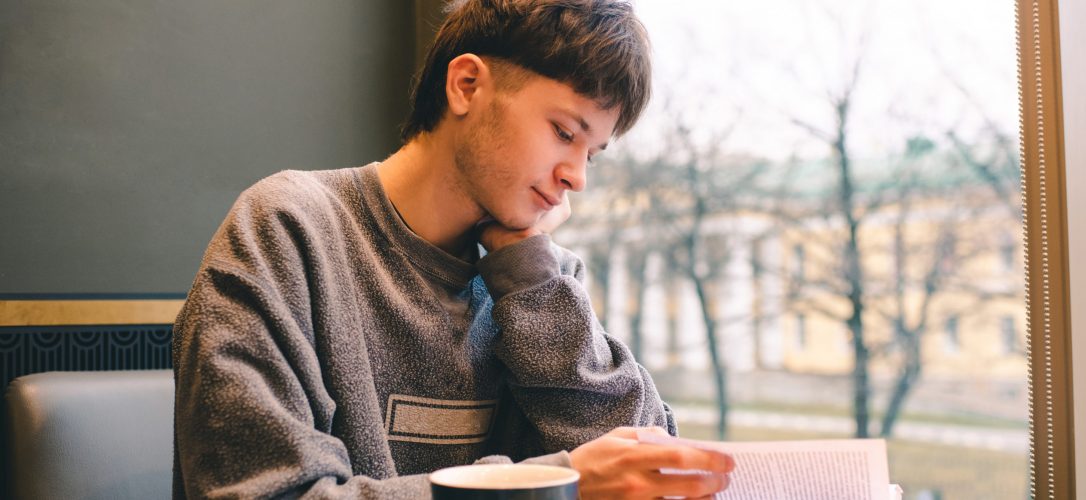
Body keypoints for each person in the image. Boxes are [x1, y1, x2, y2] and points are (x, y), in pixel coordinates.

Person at [171, 0, 735, 498]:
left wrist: (530, 276)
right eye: (565, 132)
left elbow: (648, 468)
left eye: (594, 153)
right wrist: (555, 487)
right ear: (466, 85)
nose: (577, 177)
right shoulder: (288, 229)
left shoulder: (540, 276)